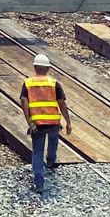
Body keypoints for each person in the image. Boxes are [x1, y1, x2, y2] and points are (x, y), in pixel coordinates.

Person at [17, 53, 73, 192]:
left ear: (35, 67)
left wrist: (29, 121)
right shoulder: (54, 83)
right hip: (53, 122)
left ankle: (39, 183)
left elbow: (24, 102)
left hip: (37, 125)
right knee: (53, 143)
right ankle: (51, 161)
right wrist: (68, 121)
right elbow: (62, 104)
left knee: (37, 152)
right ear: (48, 68)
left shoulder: (28, 83)